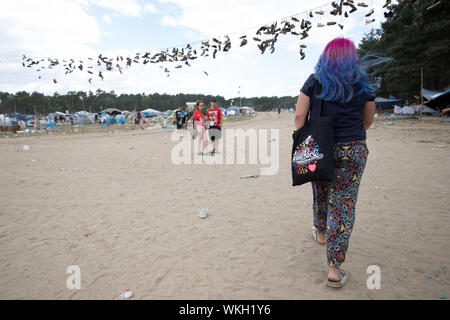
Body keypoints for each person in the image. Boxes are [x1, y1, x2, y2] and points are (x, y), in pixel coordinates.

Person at [294, 37, 376, 288]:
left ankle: (320, 233)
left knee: (320, 191)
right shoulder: (363, 83)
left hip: (322, 146)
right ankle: (334, 268)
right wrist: (350, 138)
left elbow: (299, 115)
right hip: (353, 149)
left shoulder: (315, 80)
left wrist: (308, 140)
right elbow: (368, 120)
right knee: (343, 205)